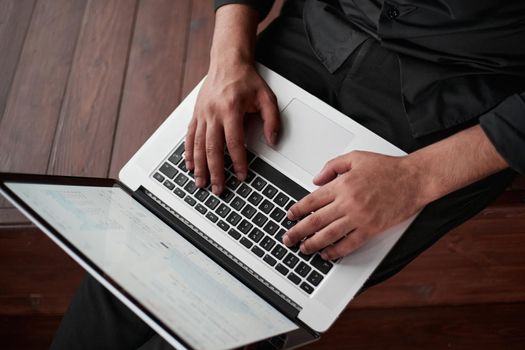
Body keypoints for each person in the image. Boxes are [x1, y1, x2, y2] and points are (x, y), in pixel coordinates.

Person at [51, 0, 525, 348]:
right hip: (317, 30)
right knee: (142, 241)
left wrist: (417, 179)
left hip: (458, 103)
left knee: (250, 311)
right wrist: (228, 60)